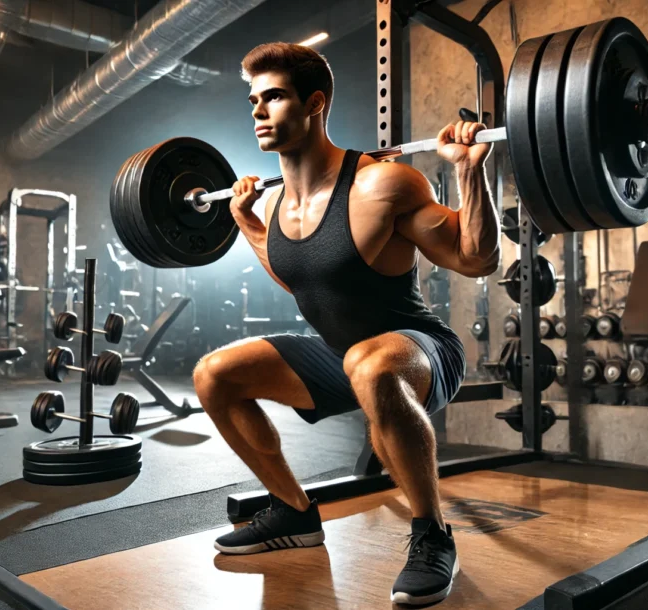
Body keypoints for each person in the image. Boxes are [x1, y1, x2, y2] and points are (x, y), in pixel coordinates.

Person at [194, 41, 499, 606]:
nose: (259, 111)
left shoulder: (381, 184)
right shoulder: (278, 202)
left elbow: (475, 259)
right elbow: (303, 278)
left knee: (370, 364)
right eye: (254, 100)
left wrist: (469, 173)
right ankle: (293, 512)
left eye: (275, 97)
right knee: (215, 374)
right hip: (343, 354)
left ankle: (432, 534)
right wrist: (245, 222)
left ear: (314, 104)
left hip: (421, 351)